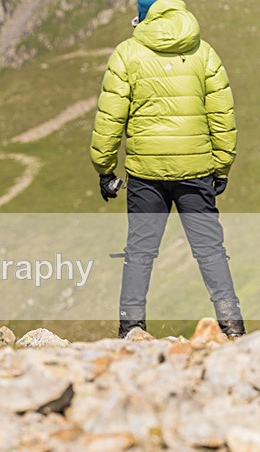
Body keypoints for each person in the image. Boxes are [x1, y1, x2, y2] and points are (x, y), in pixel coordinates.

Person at [90, 0, 245, 338]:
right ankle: (232, 328)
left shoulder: (127, 53)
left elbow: (110, 118)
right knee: (210, 250)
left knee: (140, 252)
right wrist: (221, 167)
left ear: (142, 17)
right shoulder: (204, 52)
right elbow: (222, 115)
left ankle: (131, 330)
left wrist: (105, 169)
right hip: (196, 169)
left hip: (147, 172)